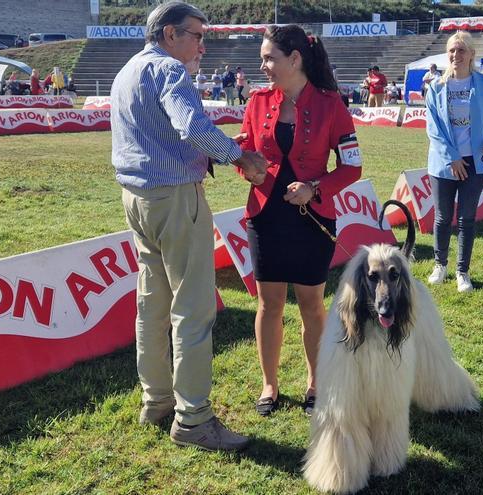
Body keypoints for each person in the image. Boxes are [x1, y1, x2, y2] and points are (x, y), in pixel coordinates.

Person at [111, 1, 266, 451]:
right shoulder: (169, 71)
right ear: (169, 35)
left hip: (138, 199)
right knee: (193, 309)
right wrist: (239, 156)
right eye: (197, 34)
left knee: (152, 302)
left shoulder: (128, 72)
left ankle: (156, 400)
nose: (202, 44)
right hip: (176, 198)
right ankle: (194, 418)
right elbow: (190, 125)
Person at [238, 24, 362, 418]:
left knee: (311, 304)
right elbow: (243, 149)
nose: (263, 66)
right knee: (268, 303)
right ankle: (269, 384)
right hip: (265, 217)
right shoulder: (257, 101)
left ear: (295, 59)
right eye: (262, 59)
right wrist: (248, 170)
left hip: (313, 219)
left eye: (269, 58)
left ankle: (316, 381)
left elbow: (352, 166)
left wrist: (315, 187)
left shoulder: (331, 104)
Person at [425, 30, 483, 293]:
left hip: (476, 163)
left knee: (467, 218)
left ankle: (462, 271)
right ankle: (440, 265)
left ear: (471, 55)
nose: (456, 55)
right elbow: (433, 129)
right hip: (444, 163)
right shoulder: (436, 87)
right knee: (443, 218)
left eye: (461, 50)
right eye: (452, 51)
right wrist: (453, 158)